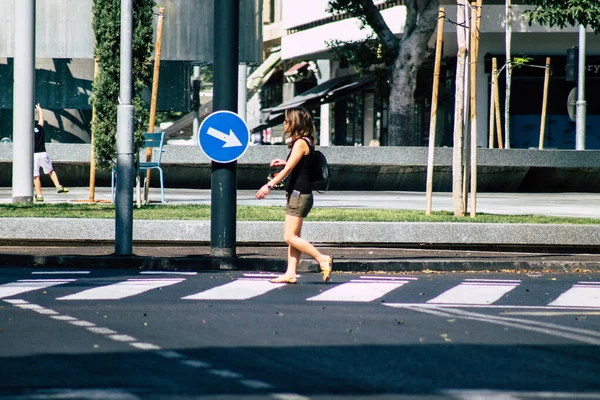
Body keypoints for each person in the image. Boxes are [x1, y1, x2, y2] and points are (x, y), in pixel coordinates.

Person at [255, 107, 333, 284]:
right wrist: (284, 161)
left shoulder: (300, 143)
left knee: (289, 237)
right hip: (299, 194)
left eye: (286, 120)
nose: (284, 123)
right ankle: (290, 273)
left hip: (299, 195)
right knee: (294, 237)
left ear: (294, 123)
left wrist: (269, 185)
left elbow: (289, 169)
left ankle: (322, 258)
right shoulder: (307, 141)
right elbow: (301, 164)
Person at [33, 104, 69, 202]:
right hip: (43, 153)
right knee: (50, 171)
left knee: (36, 176)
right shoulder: (39, 128)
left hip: (33, 155)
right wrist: (40, 109)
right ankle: (58, 186)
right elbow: (41, 119)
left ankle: (39, 196)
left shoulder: (27, 132)